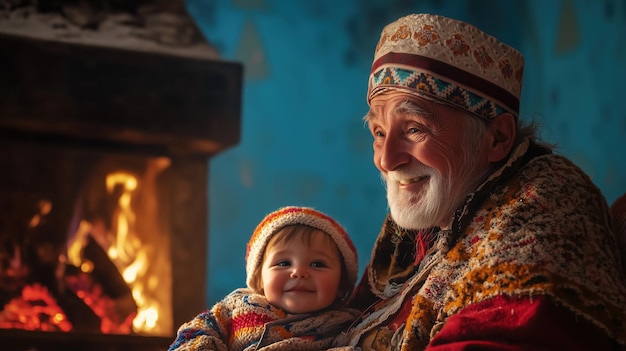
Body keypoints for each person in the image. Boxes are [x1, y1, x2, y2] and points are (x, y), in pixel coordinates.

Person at [341, 13, 626, 350]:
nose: (387, 161)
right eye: (379, 132)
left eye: (414, 129)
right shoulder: (424, 224)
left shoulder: (547, 206)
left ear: (497, 138)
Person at [167, 206, 360, 351]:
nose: (299, 272)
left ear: (341, 285)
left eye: (318, 264)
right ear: (259, 280)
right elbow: (194, 334)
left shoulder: (345, 324)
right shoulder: (235, 308)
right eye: (284, 263)